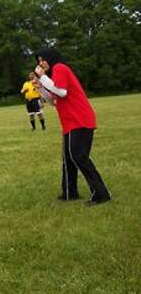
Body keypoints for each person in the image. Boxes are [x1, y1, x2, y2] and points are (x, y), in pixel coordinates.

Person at [34, 48, 111, 205]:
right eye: (38, 61)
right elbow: (54, 101)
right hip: (70, 122)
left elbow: (62, 92)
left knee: (79, 157)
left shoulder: (60, 68)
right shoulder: (54, 75)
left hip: (80, 119)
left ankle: (101, 193)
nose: (41, 63)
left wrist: (42, 78)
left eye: (43, 59)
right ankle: (70, 193)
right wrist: (41, 88)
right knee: (69, 159)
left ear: (51, 58)